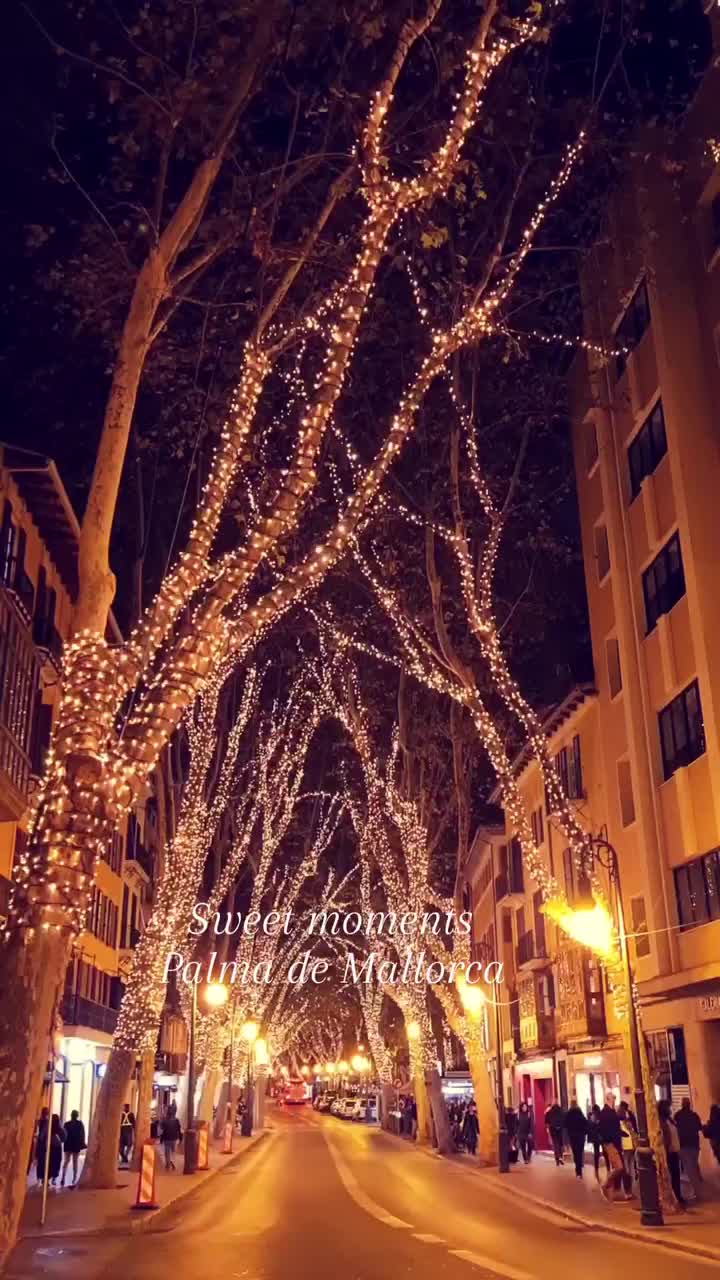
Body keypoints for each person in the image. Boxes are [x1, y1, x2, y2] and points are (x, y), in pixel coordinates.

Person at [598, 1092, 626, 1201]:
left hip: (613, 1143)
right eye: (613, 1098)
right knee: (619, 1167)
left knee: (618, 1167)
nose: (614, 1100)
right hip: (610, 1143)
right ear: (608, 1099)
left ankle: (612, 1192)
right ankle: (605, 1185)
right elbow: (605, 1129)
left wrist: (622, 1134)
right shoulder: (605, 1113)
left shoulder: (611, 1111)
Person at [675, 1097, 703, 1201]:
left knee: (689, 1169)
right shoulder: (694, 1115)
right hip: (694, 1144)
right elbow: (700, 1127)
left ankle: (696, 1192)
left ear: (682, 1105)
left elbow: (675, 1127)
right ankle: (697, 1189)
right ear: (689, 1104)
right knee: (693, 1166)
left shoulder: (677, 1115)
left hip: (683, 1145)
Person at [659, 1101, 685, 1208]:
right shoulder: (661, 1121)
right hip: (668, 1152)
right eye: (668, 1107)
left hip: (674, 1151)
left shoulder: (670, 1120)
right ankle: (672, 1198)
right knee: (670, 1176)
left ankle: (678, 1196)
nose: (670, 1109)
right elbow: (664, 1137)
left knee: (676, 1175)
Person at [37, 1114, 64, 1187]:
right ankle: (51, 1178)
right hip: (55, 1147)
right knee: (54, 1163)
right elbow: (63, 1137)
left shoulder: (49, 1126)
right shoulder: (57, 1126)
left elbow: (42, 1136)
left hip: (50, 1147)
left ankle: (47, 1179)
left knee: (49, 1163)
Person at [564, 1097, 589, 1178]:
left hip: (572, 1136)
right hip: (581, 1136)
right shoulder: (580, 1113)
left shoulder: (568, 1114)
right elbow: (585, 1123)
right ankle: (580, 1166)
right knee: (580, 1151)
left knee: (575, 1153)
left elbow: (565, 1124)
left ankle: (578, 1170)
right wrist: (585, 1132)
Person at [61, 1110, 86, 1187]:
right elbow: (82, 1134)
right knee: (75, 1163)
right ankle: (74, 1179)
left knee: (66, 1162)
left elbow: (64, 1135)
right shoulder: (80, 1124)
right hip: (76, 1145)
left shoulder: (66, 1124)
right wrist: (82, 1143)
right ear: (77, 1116)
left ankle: (63, 1177)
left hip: (68, 1145)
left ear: (71, 1115)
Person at [617, 1102, 636, 1197]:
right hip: (626, 1148)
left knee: (630, 1170)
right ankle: (627, 1191)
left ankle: (629, 1191)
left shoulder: (627, 1123)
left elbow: (632, 1131)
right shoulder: (620, 1123)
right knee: (627, 1170)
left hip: (630, 1147)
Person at [587, 1104, 608, 1179]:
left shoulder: (591, 1117)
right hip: (602, 1137)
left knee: (596, 1153)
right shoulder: (601, 1116)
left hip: (595, 1137)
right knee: (605, 1152)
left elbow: (589, 1127)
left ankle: (596, 1168)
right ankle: (608, 1167)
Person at [544, 1100, 565, 1166]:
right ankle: (561, 1156)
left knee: (555, 1143)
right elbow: (564, 1119)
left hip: (552, 1128)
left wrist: (548, 1127)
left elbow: (546, 1121)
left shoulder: (549, 1111)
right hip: (560, 1128)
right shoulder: (561, 1110)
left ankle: (557, 1159)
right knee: (560, 1143)